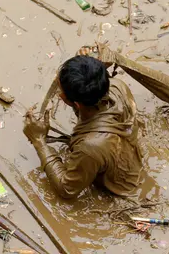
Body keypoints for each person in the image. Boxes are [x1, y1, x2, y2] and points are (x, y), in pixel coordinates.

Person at [23, 55, 143, 199]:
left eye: (60, 90)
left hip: (123, 188)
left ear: (76, 103)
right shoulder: (118, 86)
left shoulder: (90, 146)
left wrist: (39, 140)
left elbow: (66, 189)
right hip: (128, 156)